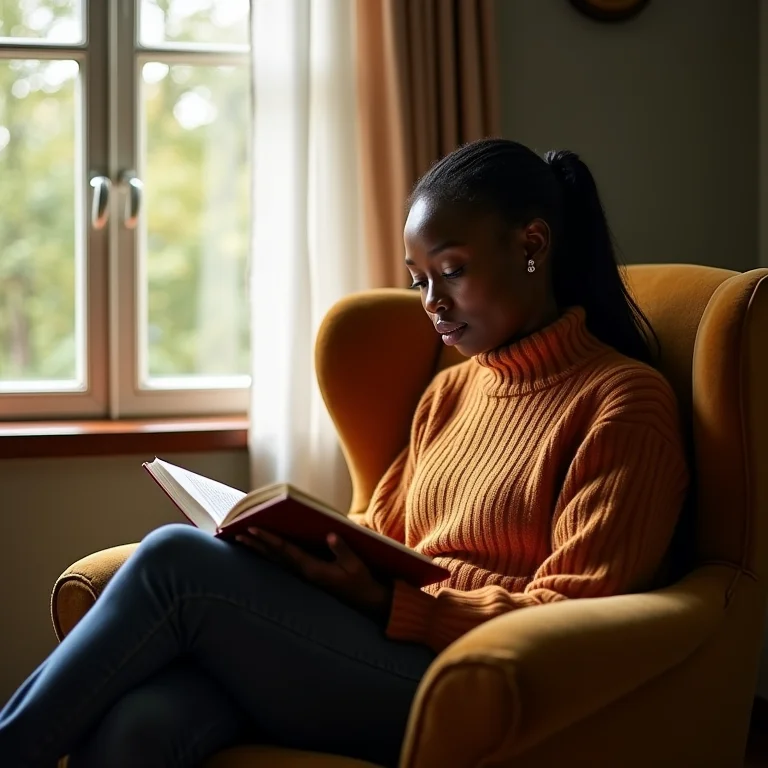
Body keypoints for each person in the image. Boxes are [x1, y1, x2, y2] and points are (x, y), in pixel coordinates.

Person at [0, 138, 688, 768]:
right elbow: (386, 536)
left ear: (531, 245)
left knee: (175, 561)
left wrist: (402, 601)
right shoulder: (449, 395)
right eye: (418, 279)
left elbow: (573, 618)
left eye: (450, 271)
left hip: (466, 676)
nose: (431, 303)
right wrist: (309, 556)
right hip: (376, 644)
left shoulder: (623, 402)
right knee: (142, 723)